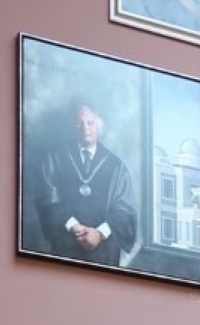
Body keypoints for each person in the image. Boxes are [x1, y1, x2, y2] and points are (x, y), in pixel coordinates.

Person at [36, 99, 137, 268]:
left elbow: (125, 212)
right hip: (66, 245)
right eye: (80, 123)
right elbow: (48, 198)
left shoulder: (116, 167)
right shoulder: (56, 158)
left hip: (104, 252)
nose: (85, 128)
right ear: (74, 126)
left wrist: (100, 233)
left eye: (90, 123)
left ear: (100, 127)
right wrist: (73, 226)